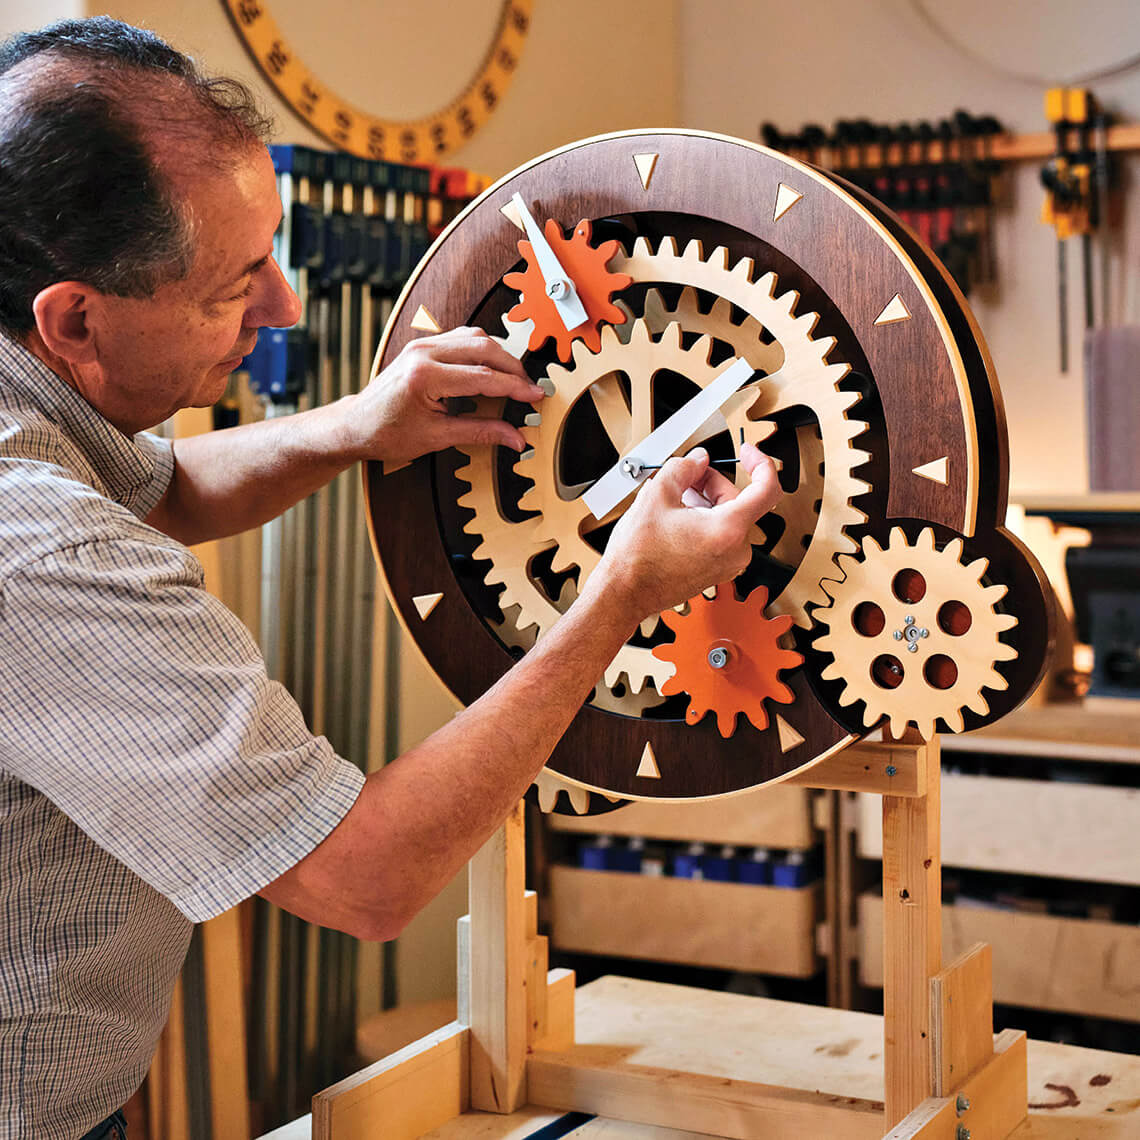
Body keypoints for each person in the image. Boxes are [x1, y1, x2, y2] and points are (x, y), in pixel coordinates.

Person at [0, 17, 781, 1140]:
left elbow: (162, 491)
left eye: (276, 253)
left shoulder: (38, 410)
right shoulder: (40, 548)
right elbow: (363, 880)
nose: (283, 307)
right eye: (235, 284)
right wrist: (620, 596)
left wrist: (354, 426)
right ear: (74, 318)